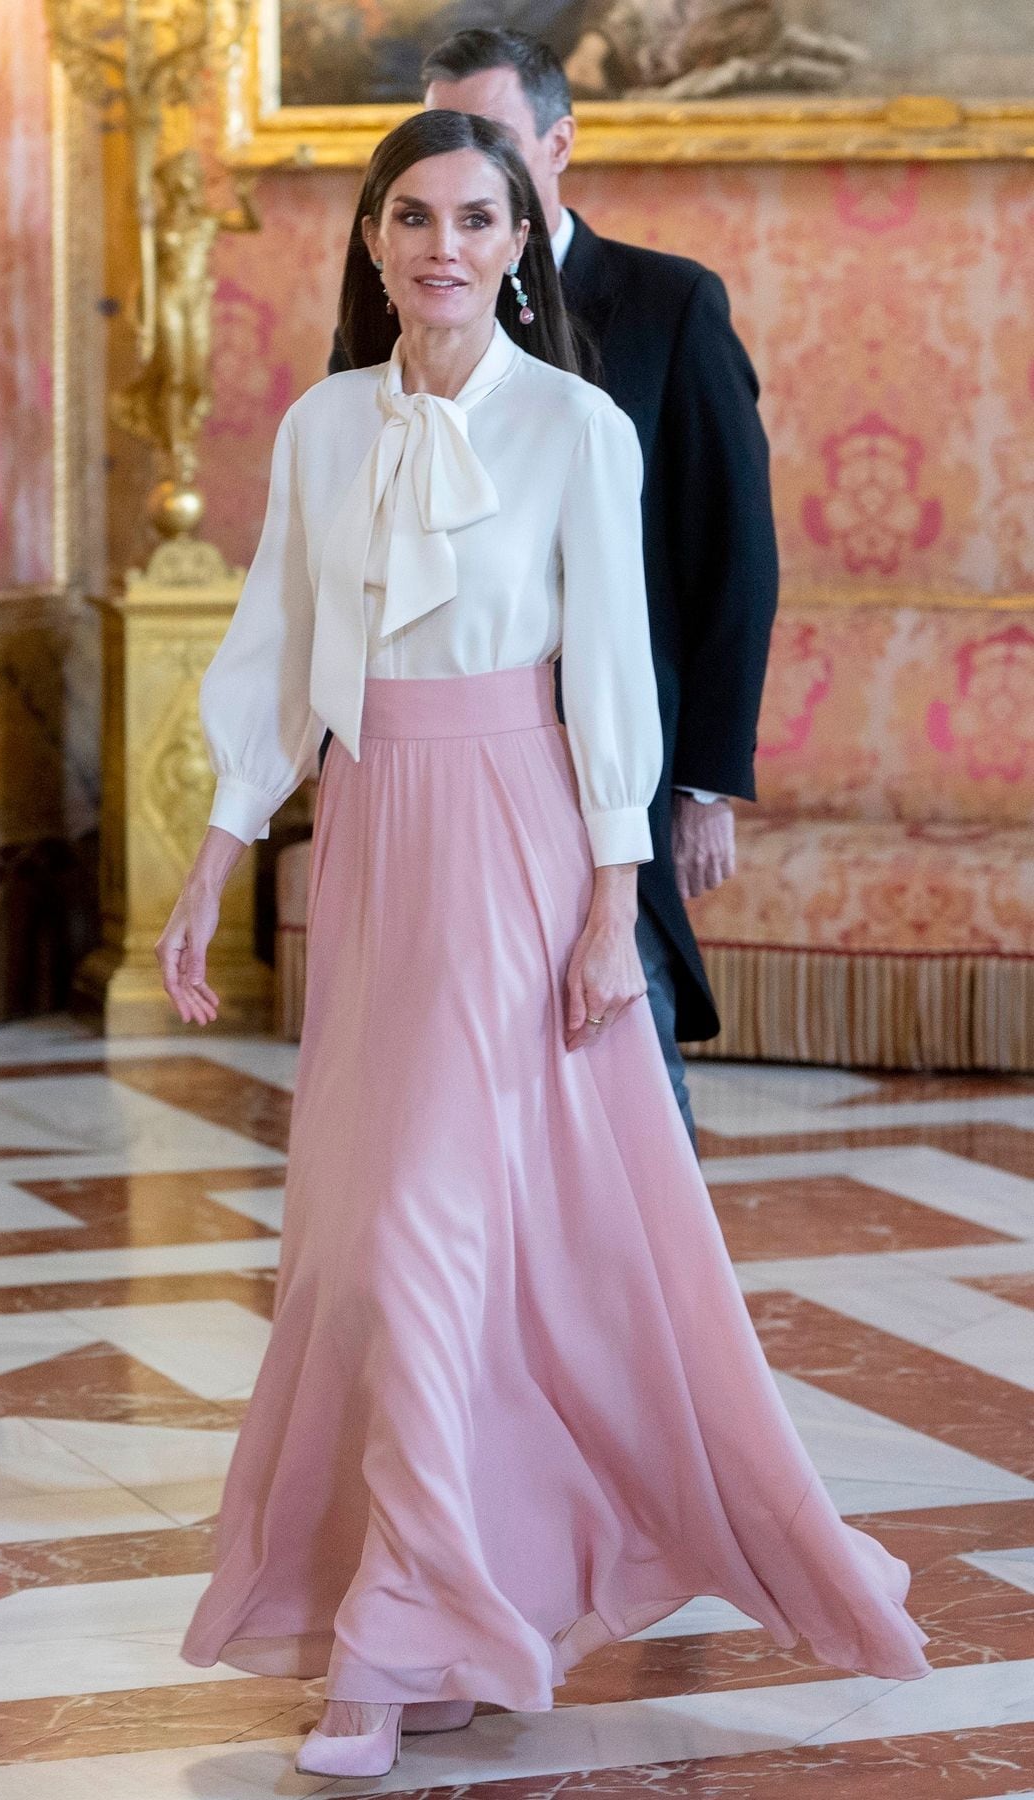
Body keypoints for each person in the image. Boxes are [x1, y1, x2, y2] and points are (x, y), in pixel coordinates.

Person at [160, 109, 928, 1783]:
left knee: (420, 1246)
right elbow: (280, 649)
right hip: (371, 846)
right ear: (371, 240)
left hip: (514, 839)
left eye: (480, 220)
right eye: (415, 217)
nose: (445, 247)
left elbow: (615, 683)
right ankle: (437, 1611)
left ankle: (380, 1655)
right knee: (359, 1251)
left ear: (523, 239)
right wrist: (215, 861)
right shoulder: (319, 428)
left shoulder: (577, 427)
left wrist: (605, 904)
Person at [331, 31, 779, 1148]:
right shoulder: (395, 314)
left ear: (558, 146)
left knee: (619, 1064)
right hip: (447, 781)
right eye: (437, 140)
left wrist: (706, 782)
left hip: (622, 749)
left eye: (492, 141)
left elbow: (733, 555)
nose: (459, 166)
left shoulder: (671, 304)